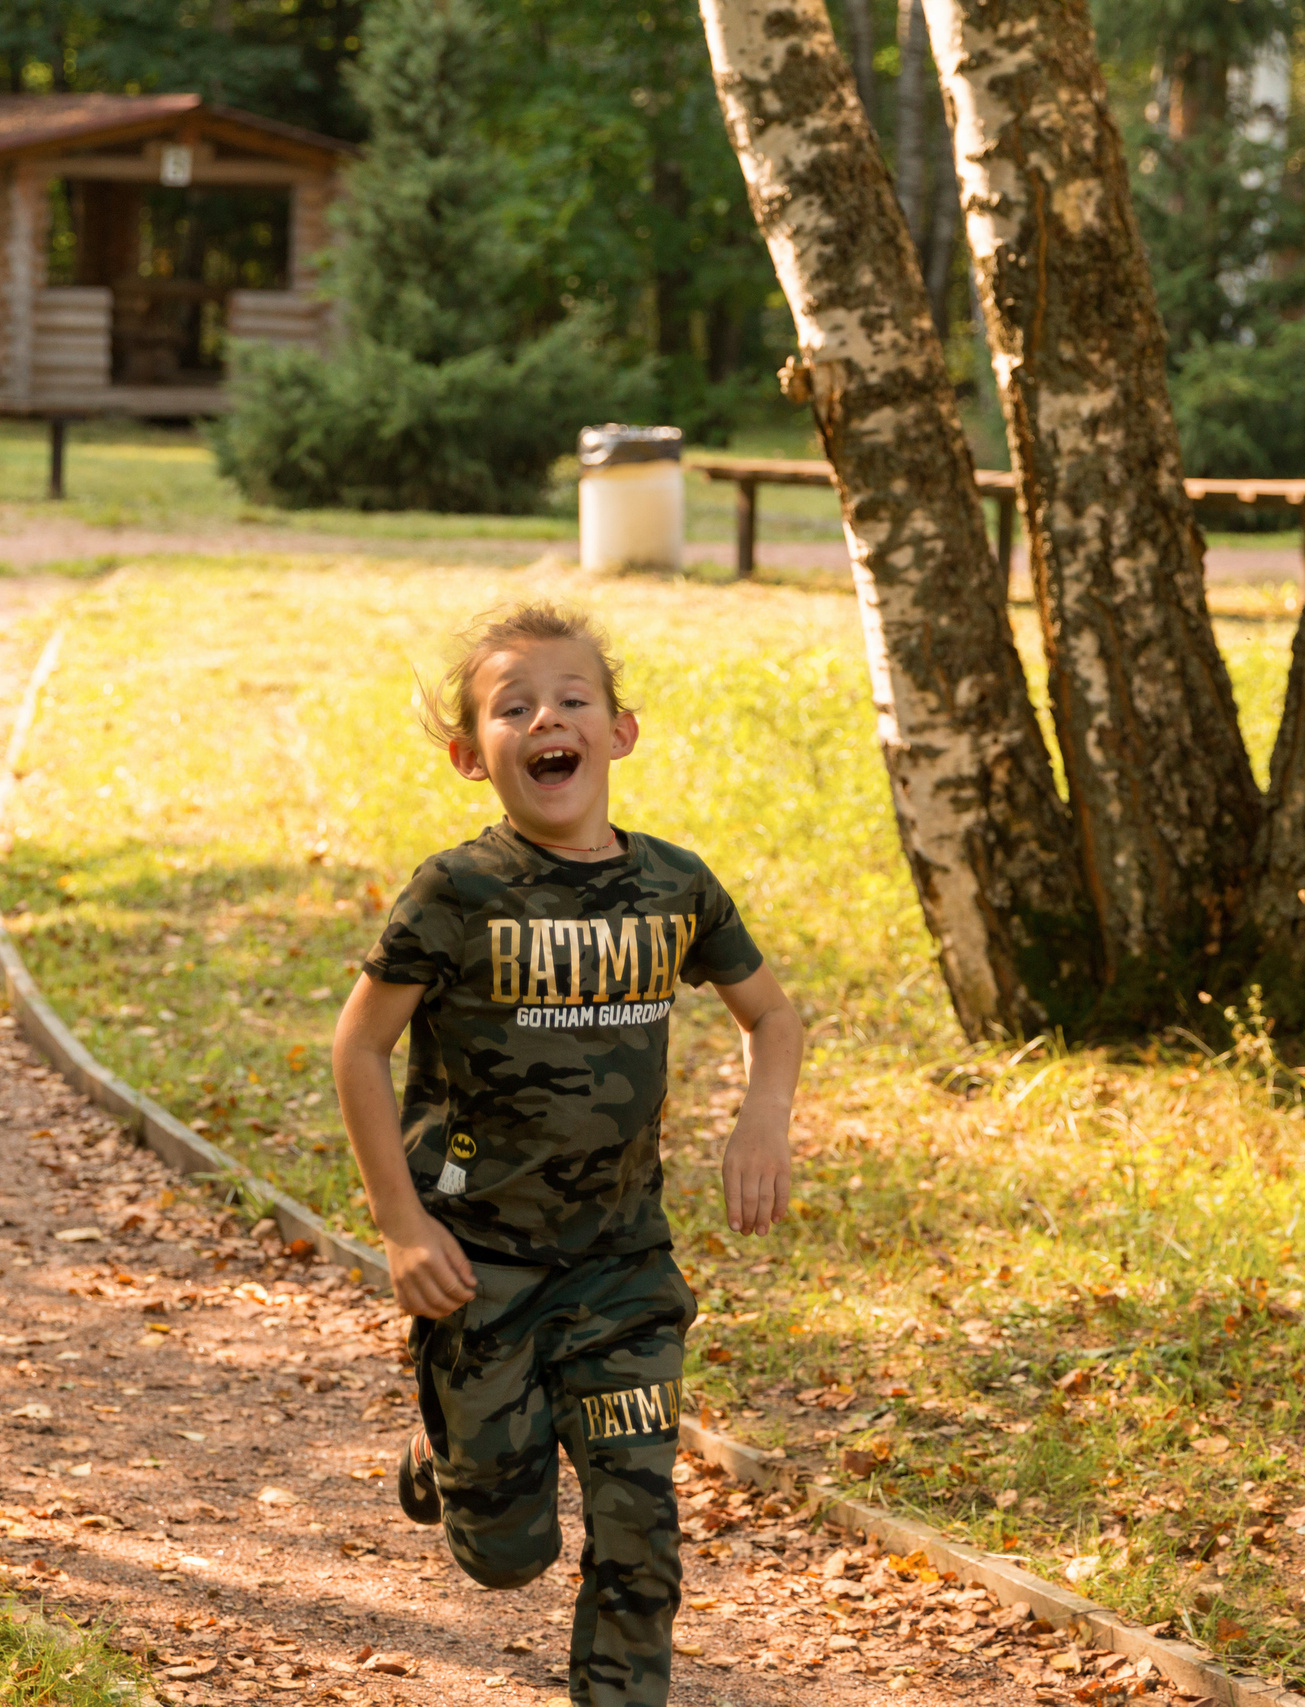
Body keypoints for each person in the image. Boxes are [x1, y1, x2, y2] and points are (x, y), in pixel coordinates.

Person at [331, 601, 801, 1707]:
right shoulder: (457, 893)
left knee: (640, 1533)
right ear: (469, 753)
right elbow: (358, 1049)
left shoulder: (675, 885)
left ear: (619, 731)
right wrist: (402, 1228)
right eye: (514, 707)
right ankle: (453, 1453)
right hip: (478, 1265)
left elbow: (770, 1018)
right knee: (508, 1556)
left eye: (572, 700)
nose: (549, 719)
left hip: (623, 1267)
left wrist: (762, 1118)